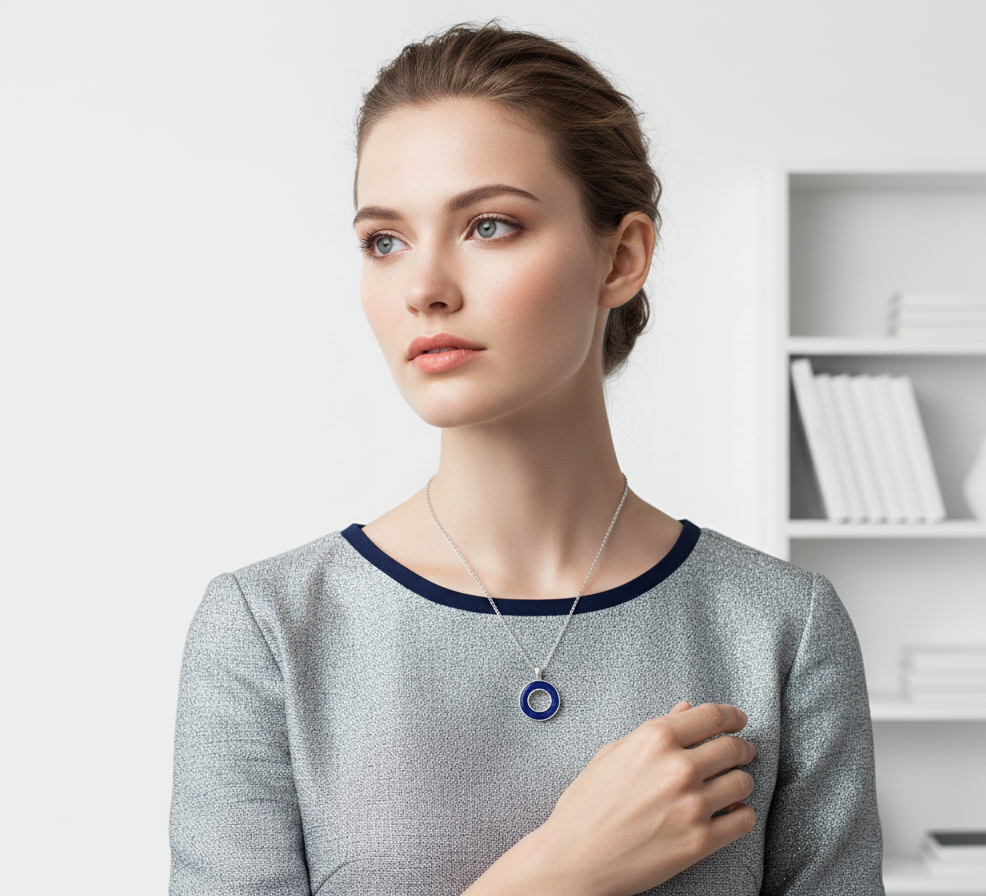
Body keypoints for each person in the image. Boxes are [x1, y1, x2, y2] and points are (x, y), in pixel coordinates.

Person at [168, 21, 885, 896]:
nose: (424, 285)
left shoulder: (781, 628)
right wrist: (560, 872)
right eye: (383, 241)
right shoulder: (269, 630)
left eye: (490, 225)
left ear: (621, 257)